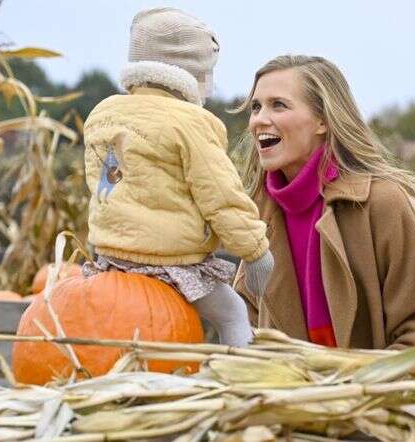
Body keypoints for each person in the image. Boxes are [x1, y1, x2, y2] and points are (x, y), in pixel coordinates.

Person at [231, 55, 415, 350]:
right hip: (290, 392)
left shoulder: (385, 202)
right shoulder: (260, 215)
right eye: (256, 106)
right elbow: (247, 325)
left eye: (279, 105)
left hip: (375, 391)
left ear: (323, 121)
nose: (258, 120)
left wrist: (368, 386)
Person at [83, 7, 273, 347]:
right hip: (170, 262)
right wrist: (255, 250)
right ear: (191, 75)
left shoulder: (103, 114)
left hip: (110, 259)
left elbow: (102, 184)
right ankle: (239, 378)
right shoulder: (192, 123)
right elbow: (221, 196)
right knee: (231, 311)